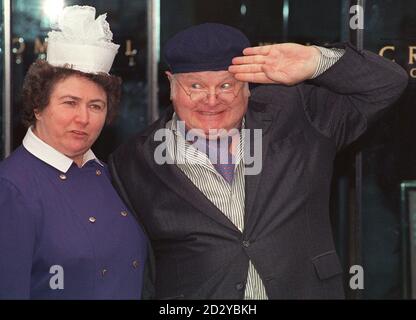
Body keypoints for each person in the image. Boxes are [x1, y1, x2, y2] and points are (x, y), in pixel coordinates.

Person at [109, 23, 408, 299]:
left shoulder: (298, 113)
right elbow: (136, 264)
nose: (211, 100)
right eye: (196, 86)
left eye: (226, 85)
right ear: (171, 85)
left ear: (247, 85)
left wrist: (316, 62)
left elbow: (388, 83)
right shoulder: (134, 160)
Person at [0, 5, 148, 299]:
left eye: (96, 106)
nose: (83, 118)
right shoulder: (11, 188)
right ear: (37, 106)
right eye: (69, 102)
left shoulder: (110, 174)